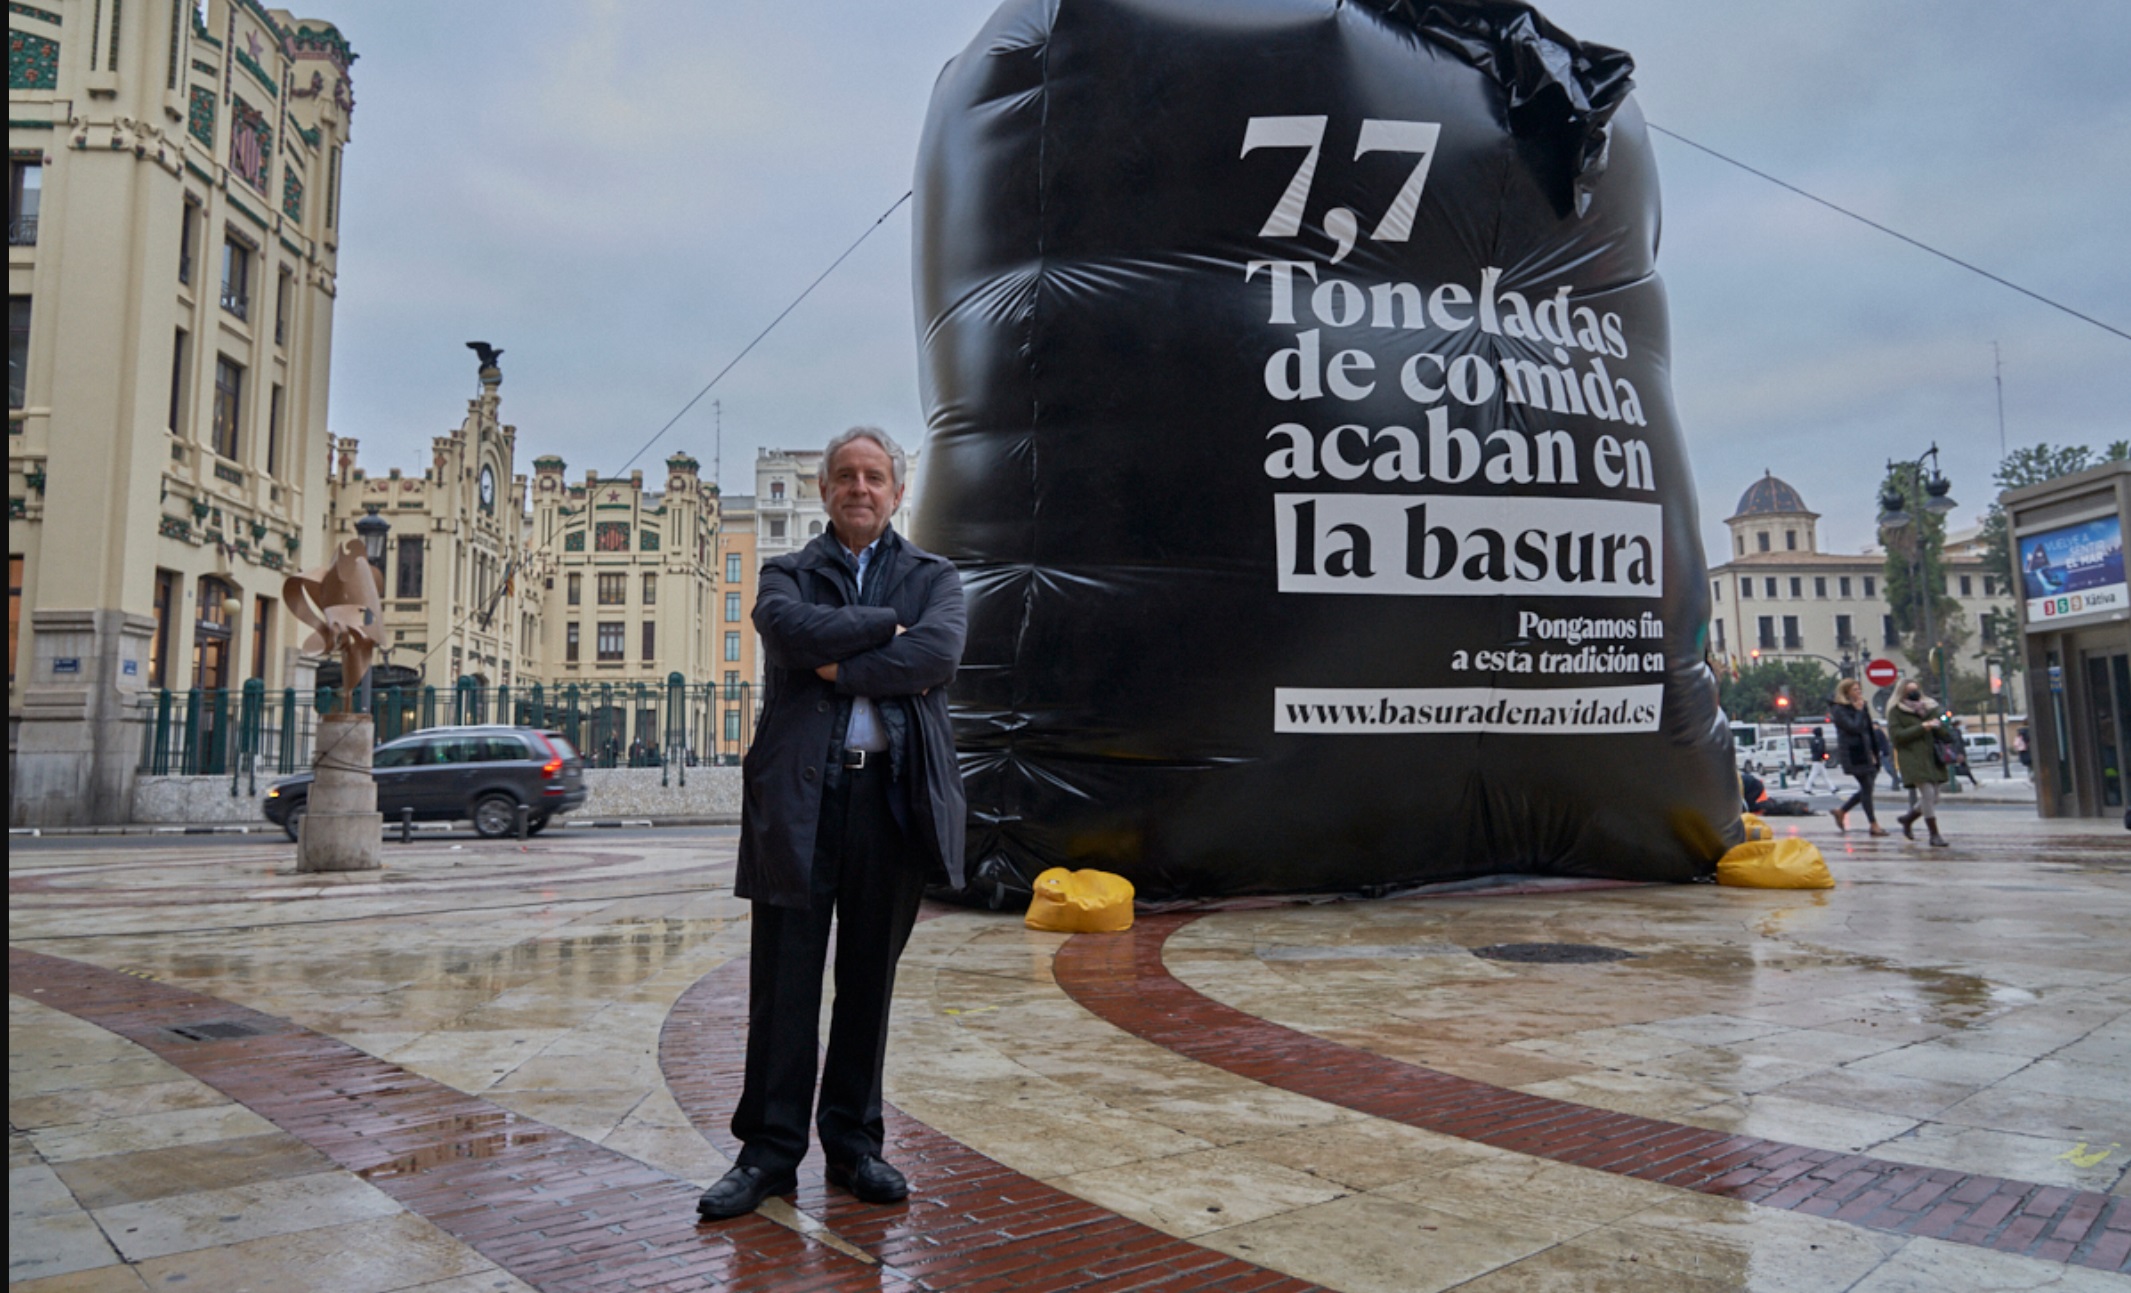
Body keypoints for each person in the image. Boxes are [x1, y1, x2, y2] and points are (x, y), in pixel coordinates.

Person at [696, 427, 968, 1222]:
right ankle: (768, 1153)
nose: (859, 487)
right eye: (844, 475)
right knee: (782, 985)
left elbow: (938, 656)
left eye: (873, 476)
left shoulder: (934, 575)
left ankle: (854, 1144)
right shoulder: (786, 571)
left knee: (866, 985)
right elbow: (785, 631)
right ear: (824, 490)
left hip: (889, 800)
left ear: (896, 490)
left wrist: (840, 659)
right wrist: (889, 629)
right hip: (797, 804)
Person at [1886, 680, 1951, 847]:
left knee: (1935, 797)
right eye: (1910, 692)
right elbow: (1897, 736)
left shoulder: (1930, 708)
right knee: (1928, 794)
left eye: (1916, 690)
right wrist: (1922, 727)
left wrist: (1939, 725)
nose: (1914, 694)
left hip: (1932, 757)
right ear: (1902, 694)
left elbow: (1945, 733)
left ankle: (1908, 819)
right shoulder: (1896, 711)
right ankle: (1934, 834)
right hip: (1912, 758)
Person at [1828, 678, 1887, 836]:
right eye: (1855, 689)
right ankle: (1873, 824)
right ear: (1846, 692)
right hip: (1853, 753)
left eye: (1859, 689)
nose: (1859, 692)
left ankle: (1841, 811)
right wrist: (1859, 711)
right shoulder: (1839, 709)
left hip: (1868, 752)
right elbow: (1853, 727)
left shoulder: (1862, 705)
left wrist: (1875, 751)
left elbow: (1867, 729)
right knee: (1867, 787)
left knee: (1867, 788)